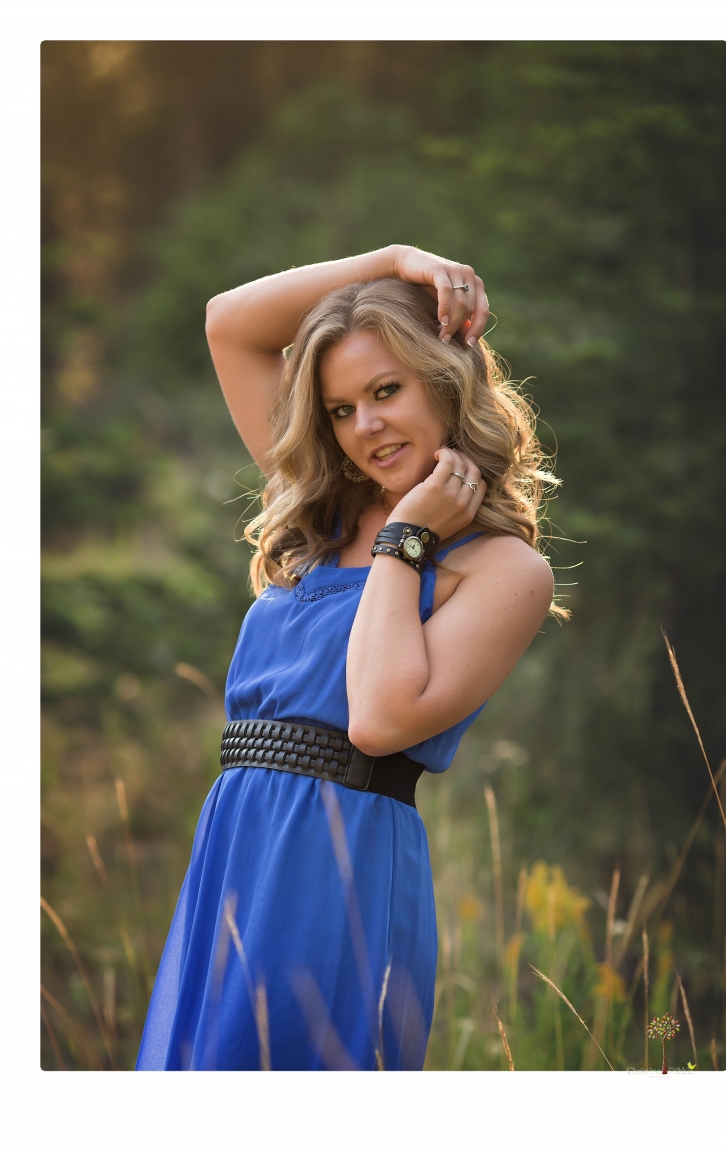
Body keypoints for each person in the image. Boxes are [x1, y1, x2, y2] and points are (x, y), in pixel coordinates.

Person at [135, 244, 559, 1072]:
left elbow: (378, 718)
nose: (364, 426)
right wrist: (395, 261)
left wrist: (406, 542)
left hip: (339, 866)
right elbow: (229, 323)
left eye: (386, 390)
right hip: (236, 845)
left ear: (444, 380)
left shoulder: (505, 570)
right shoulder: (323, 508)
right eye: (339, 409)